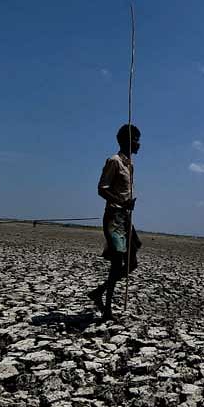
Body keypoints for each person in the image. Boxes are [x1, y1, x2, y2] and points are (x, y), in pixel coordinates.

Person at [88, 124, 141, 319]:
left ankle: (99, 292)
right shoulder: (114, 161)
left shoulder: (130, 165)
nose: (139, 144)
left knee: (132, 262)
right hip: (114, 217)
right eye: (136, 139)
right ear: (127, 141)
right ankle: (107, 310)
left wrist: (127, 206)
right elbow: (102, 189)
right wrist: (122, 202)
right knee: (117, 262)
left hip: (125, 218)